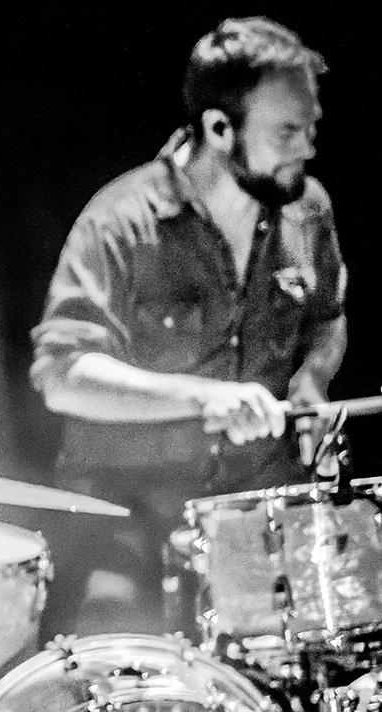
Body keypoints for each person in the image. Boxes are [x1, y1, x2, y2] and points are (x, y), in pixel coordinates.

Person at [30, 17, 347, 638]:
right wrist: (205, 397)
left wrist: (311, 381)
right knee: (123, 666)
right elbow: (64, 378)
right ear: (219, 128)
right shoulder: (119, 221)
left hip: (252, 515)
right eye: (287, 132)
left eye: (311, 127)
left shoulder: (307, 210)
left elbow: (327, 322)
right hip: (126, 514)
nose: (307, 148)